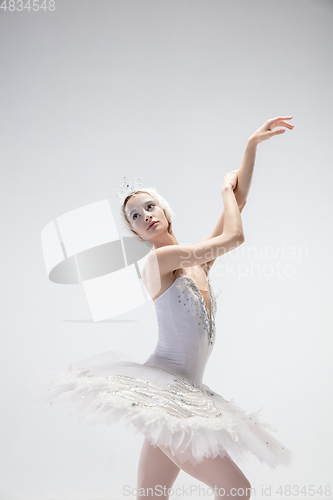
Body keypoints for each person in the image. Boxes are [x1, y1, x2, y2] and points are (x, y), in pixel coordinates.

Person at [29, 116, 295, 499]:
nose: (145, 216)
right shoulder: (159, 261)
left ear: (165, 210)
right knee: (237, 490)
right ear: (135, 233)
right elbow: (235, 235)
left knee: (151, 496)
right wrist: (223, 189)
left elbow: (240, 201)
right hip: (165, 392)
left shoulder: (198, 263)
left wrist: (251, 145)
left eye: (149, 206)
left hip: (186, 392)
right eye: (135, 217)